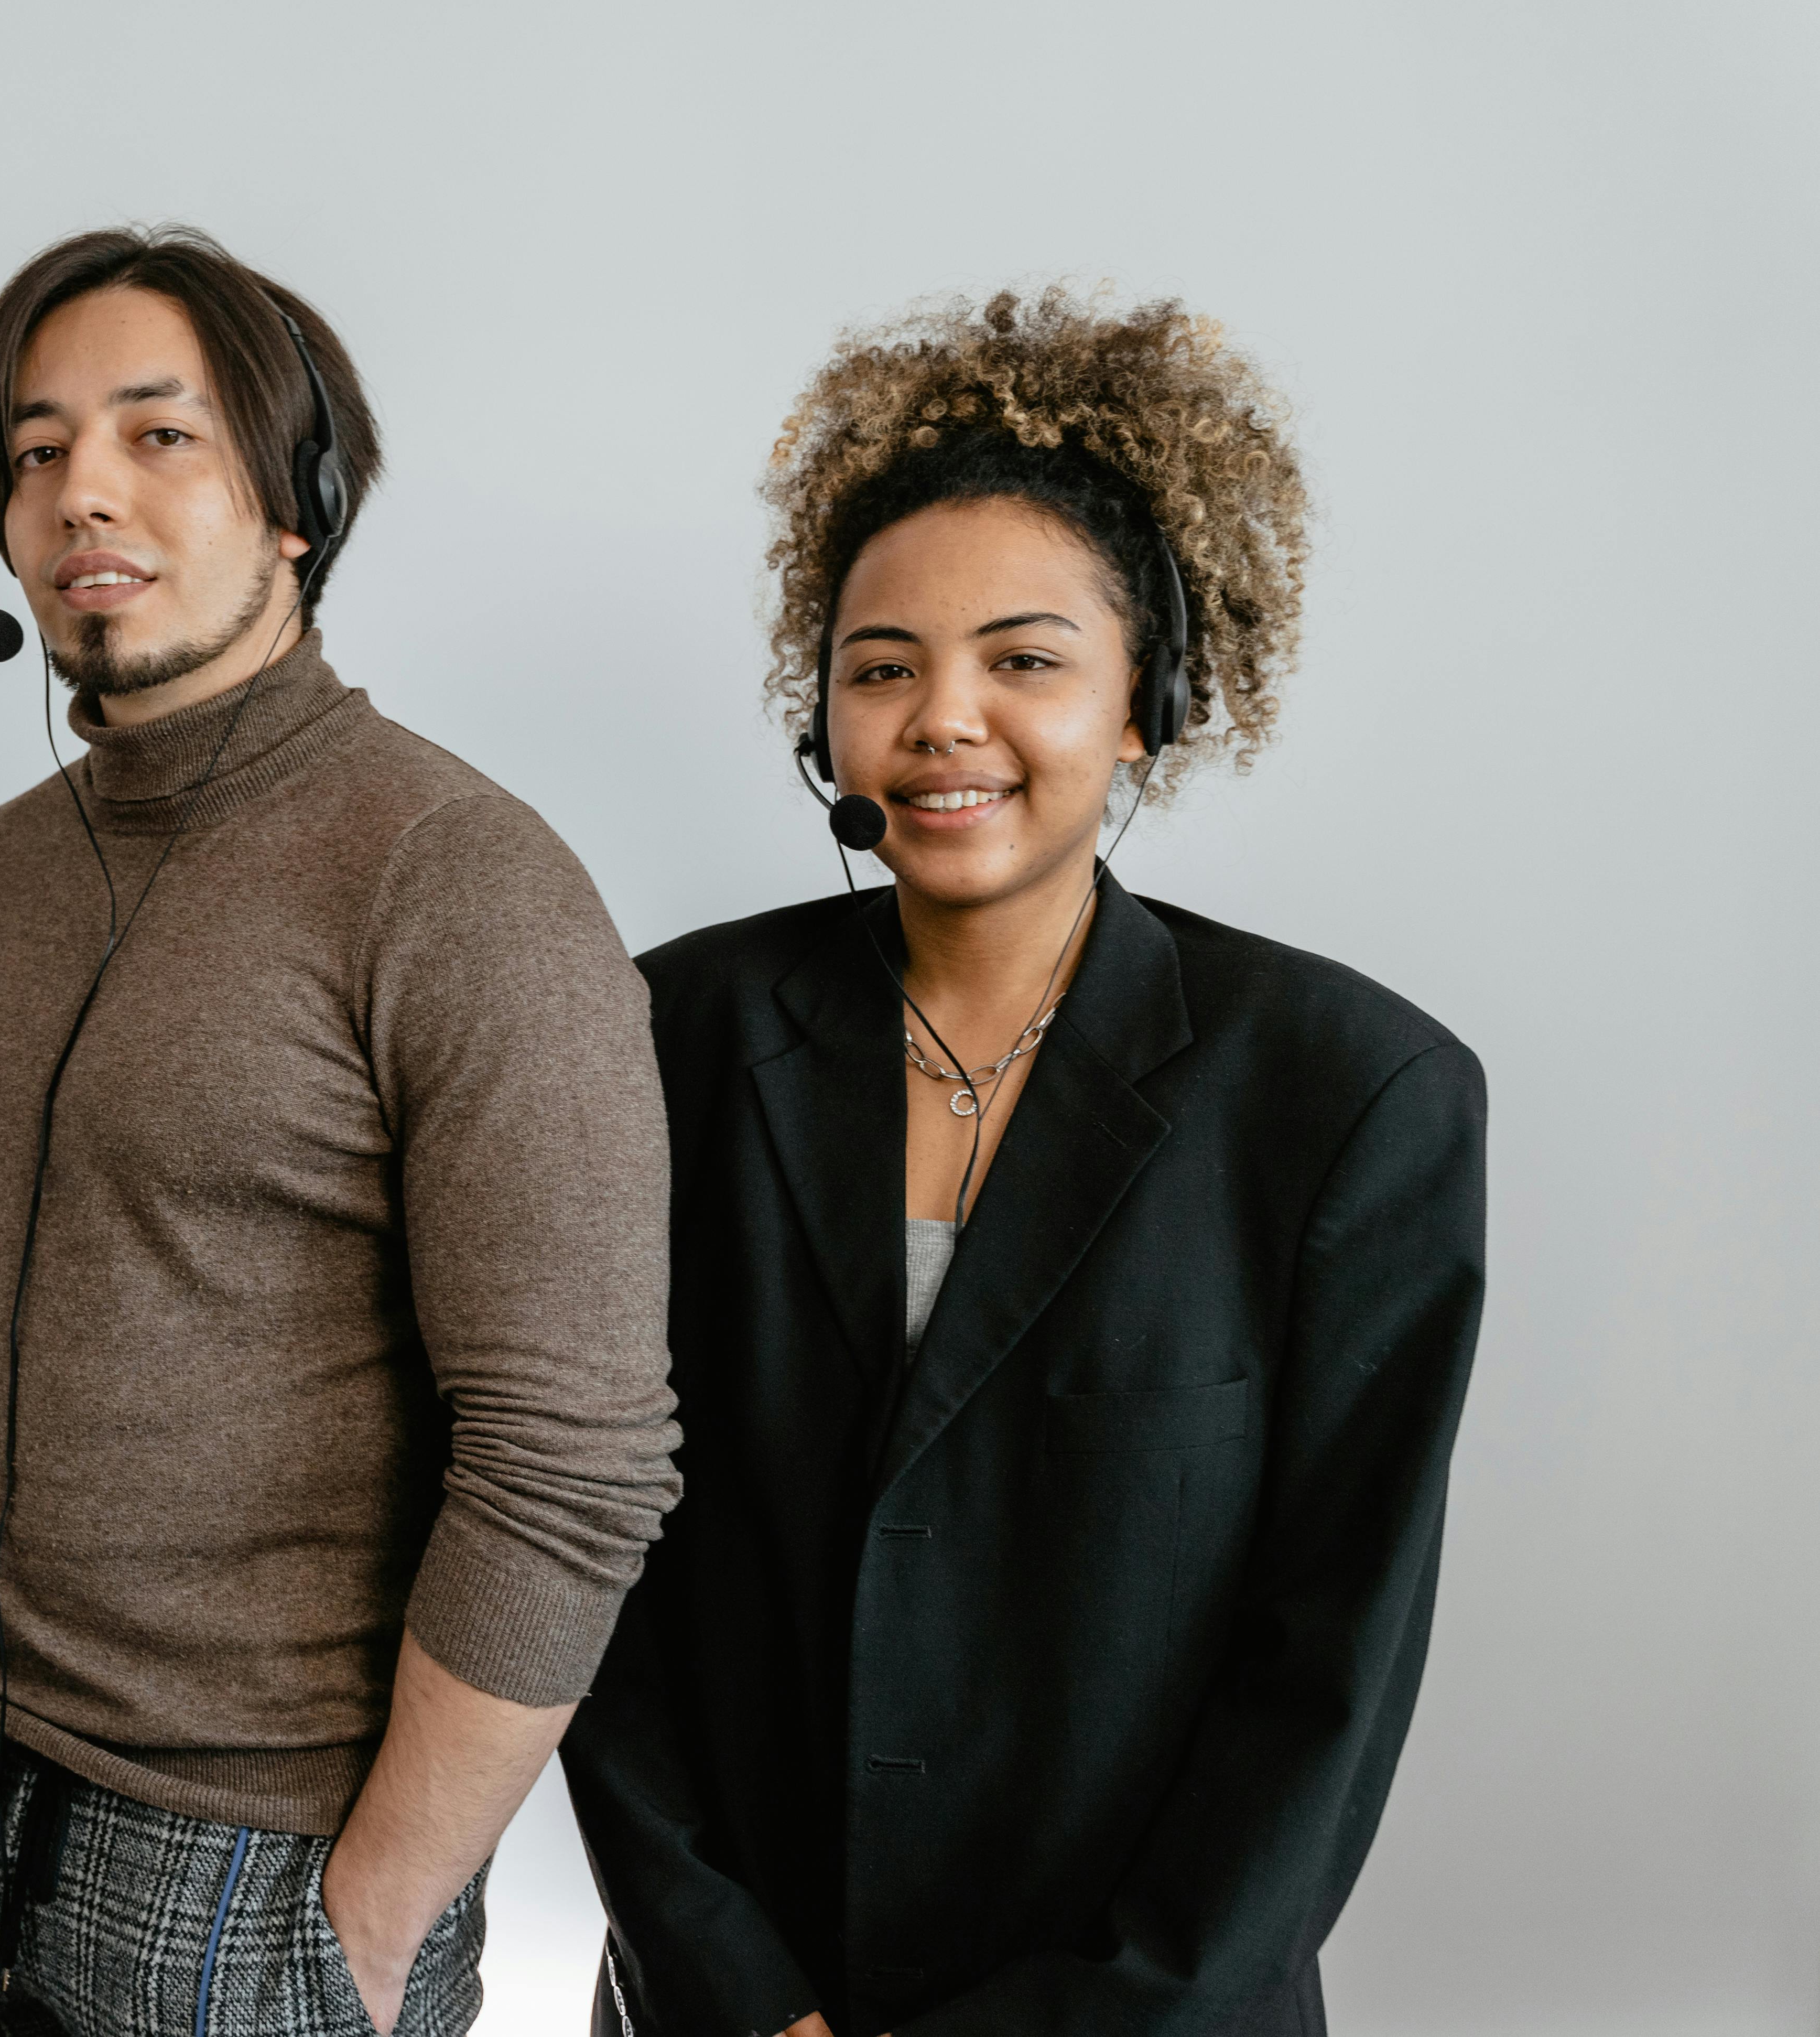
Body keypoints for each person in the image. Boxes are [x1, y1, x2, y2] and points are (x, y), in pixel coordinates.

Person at [564, 290, 1488, 2036]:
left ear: (1149, 702)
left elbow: (1329, 1675)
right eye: (882, 666)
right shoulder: (667, 1032)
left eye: (1025, 658)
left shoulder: (1352, 1093)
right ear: (820, 712)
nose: (942, 718)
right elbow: (597, 1555)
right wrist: (735, 1986)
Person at [0, 225, 682, 2037]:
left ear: (296, 501)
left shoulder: (458, 880)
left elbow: (576, 1461)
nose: (81, 494)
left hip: (241, 1870)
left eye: (160, 435)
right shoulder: (5, 867)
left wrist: (372, 1911)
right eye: (36, 449)